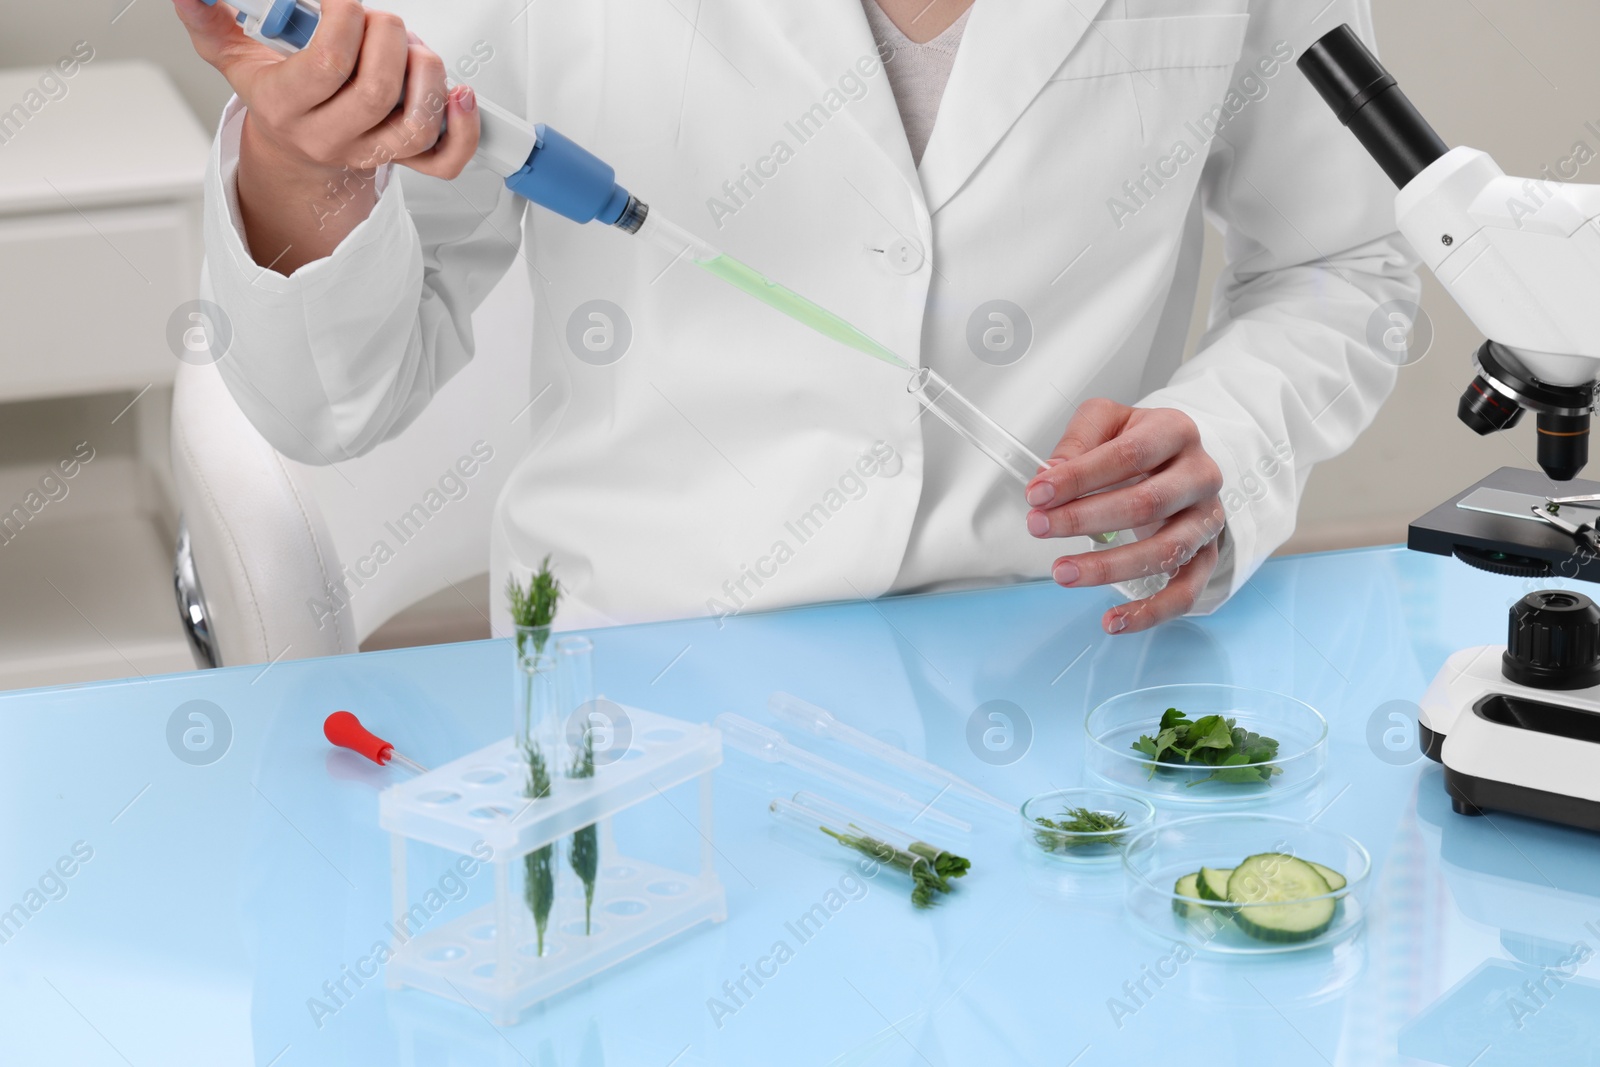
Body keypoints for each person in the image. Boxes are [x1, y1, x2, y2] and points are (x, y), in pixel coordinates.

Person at [172, 0, 1418, 635]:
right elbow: (335, 398)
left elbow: (1345, 257)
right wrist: (303, 164)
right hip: (658, 687)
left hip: (1060, 655)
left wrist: (1227, 440)